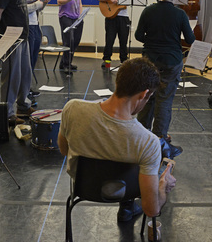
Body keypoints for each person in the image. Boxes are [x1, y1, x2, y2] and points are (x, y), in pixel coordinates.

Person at [58, 57, 176, 222]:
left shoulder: (72, 109)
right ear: (144, 94)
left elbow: (64, 150)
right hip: (128, 190)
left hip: (83, 188)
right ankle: (127, 207)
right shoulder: (148, 142)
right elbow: (151, 209)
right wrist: (163, 186)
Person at [135, 0, 195, 158]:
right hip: (171, 61)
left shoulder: (148, 11)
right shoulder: (180, 15)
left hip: (150, 60)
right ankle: (160, 139)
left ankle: (142, 135)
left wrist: (153, 43)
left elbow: (138, 35)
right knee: (165, 100)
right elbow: (190, 40)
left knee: (147, 96)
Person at [22, 0, 54, 97]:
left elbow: (37, 7)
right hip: (27, 26)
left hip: (35, 26)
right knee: (27, 60)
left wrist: (44, 2)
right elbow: (22, 8)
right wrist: (39, 4)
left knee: (34, 59)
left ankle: (27, 87)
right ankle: (23, 89)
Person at [97, 0, 131, 68]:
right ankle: (107, 60)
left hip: (124, 17)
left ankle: (124, 61)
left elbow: (128, 3)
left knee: (123, 40)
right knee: (110, 39)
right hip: (111, 17)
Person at [56, 0, 84, 72]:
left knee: (76, 41)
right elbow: (59, 1)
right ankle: (67, 64)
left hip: (76, 17)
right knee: (69, 40)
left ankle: (65, 62)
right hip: (65, 16)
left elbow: (80, 3)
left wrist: (80, 16)